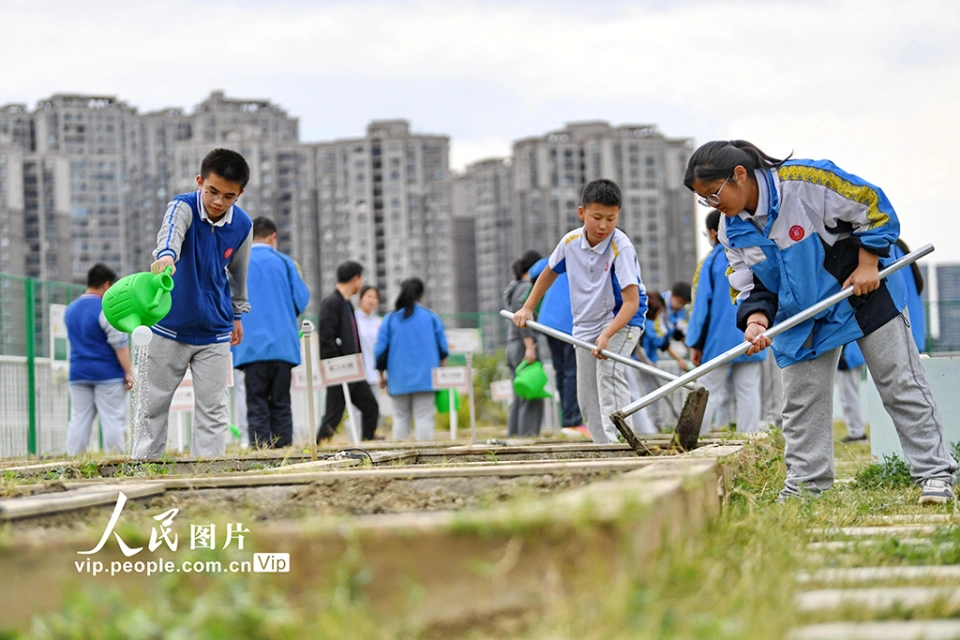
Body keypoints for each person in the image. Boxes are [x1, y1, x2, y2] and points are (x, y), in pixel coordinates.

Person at [685, 139, 957, 504]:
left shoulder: (807, 183)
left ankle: (935, 474)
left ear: (739, 176)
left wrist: (867, 264)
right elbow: (749, 285)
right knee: (801, 402)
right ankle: (806, 488)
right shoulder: (732, 230)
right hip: (800, 316)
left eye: (713, 194)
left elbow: (874, 206)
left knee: (899, 384)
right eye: (705, 200)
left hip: (859, 294)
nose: (713, 206)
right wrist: (755, 321)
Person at [136, 148, 253, 459]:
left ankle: (208, 473)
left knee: (213, 410)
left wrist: (237, 314)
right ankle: (145, 466)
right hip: (168, 325)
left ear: (239, 194)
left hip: (215, 330)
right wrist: (165, 258)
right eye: (212, 191)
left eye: (228, 196)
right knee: (153, 404)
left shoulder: (242, 225)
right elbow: (170, 234)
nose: (217, 202)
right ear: (200, 181)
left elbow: (238, 273)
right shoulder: (183, 206)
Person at [513, 179, 647, 444]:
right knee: (586, 393)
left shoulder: (621, 247)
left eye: (611, 218)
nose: (603, 226)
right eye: (597, 217)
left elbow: (631, 302)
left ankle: (620, 444)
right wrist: (528, 307)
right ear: (582, 213)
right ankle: (603, 446)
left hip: (623, 321)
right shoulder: (571, 242)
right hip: (586, 324)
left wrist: (608, 334)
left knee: (608, 374)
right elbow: (548, 273)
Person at [232, 216, 310, 448]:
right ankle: (283, 453)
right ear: (273, 236)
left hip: (249, 347)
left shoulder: (237, 262)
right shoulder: (285, 263)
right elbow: (302, 300)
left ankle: (261, 454)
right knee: (281, 404)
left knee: (256, 405)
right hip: (282, 346)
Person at [686, 209, 766, 434]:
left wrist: (695, 342)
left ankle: (693, 439)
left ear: (713, 233)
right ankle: (750, 443)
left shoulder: (710, 262)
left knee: (708, 390)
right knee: (748, 391)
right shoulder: (751, 252)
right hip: (752, 334)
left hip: (718, 340)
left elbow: (700, 306)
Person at [64, 263, 134, 455]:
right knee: (112, 419)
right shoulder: (107, 309)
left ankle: (74, 461)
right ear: (106, 285)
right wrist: (129, 372)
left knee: (79, 419)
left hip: (78, 374)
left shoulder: (70, 309)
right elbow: (119, 344)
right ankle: (115, 461)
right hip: (107, 375)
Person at [374, 277, 449, 441]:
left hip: (398, 379)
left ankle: (398, 459)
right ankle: (425, 457)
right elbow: (443, 348)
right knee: (424, 417)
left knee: (400, 418)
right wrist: (442, 371)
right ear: (421, 295)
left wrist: (381, 376)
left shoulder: (390, 319)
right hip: (426, 378)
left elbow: (380, 349)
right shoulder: (431, 317)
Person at [317, 261, 379, 442]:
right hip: (340, 369)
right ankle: (319, 446)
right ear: (355, 279)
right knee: (333, 414)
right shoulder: (331, 302)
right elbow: (326, 338)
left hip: (354, 370)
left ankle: (368, 443)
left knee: (370, 407)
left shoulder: (346, 304)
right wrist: (337, 363)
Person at [529, 257, 584, 434]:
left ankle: (567, 420)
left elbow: (533, 272)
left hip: (548, 319)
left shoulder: (555, 260)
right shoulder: (583, 260)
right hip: (569, 320)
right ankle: (572, 422)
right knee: (572, 372)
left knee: (561, 371)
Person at [503, 250, 545, 437]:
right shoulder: (525, 288)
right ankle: (528, 434)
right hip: (523, 344)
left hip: (512, 344)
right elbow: (524, 320)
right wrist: (530, 346)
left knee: (519, 394)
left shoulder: (513, 288)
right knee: (531, 392)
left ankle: (514, 435)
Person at [630, 291, 672, 434]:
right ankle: (653, 426)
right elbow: (658, 341)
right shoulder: (649, 323)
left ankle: (651, 425)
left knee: (642, 394)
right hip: (644, 365)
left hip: (641, 363)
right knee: (649, 395)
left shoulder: (640, 322)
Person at [355, 285, 391, 423]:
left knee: (374, 410)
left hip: (375, 373)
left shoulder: (379, 322)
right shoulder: (353, 320)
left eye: (375, 297)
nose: (372, 300)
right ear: (361, 298)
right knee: (358, 411)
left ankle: (368, 439)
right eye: (369, 296)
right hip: (359, 373)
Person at [836, 343, 866, 443]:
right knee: (849, 396)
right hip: (851, 356)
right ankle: (856, 431)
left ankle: (857, 433)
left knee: (849, 397)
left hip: (849, 357)